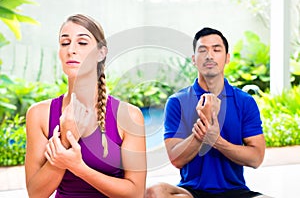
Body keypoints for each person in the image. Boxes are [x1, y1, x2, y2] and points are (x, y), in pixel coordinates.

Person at [25, 14, 146, 198]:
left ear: (101, 53)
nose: (71, 50)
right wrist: (65, 140)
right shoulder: (39, 114)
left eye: (82, 43)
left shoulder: (128, 116)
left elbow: (135, 193)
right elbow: (36, 193)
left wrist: (78, 167)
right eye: (65, 43)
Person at [146, 27, 266, 198]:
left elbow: (256, 158)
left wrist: (216, 141)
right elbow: (176, 159)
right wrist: (201, 133)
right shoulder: (177, 102)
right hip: (192, 192)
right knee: (154, 191)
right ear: (194, 59)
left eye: (216, 50)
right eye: (203, 50)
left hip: (236, 192)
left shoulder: (244, 102)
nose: (209, 55)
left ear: (227, 58)